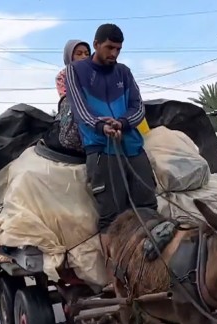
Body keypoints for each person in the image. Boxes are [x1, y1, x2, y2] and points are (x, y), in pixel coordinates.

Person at [65, 23, 158, 250]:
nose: (114, 54)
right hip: (101, 150)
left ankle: (148, 269)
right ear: (96, 44)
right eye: (109, 48)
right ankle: (112, 278)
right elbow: (81, 110)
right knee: (112, 216)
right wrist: (101, 125)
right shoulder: (76, 71)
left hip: (133, 148)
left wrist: (123, 123)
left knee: (148, 208)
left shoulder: (124, 73)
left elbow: (138, 107)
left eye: (118, 49)